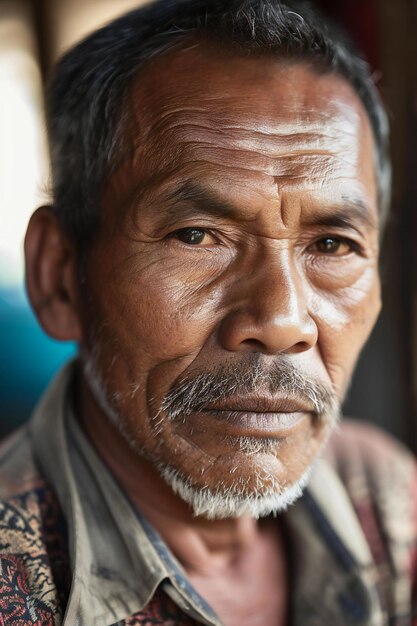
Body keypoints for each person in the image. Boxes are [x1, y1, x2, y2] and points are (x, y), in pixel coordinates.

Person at [1, 0, 416, 624]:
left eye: (332, 245)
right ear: (61, 278)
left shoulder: (388, 495)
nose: (281, 322)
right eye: (196, 235)